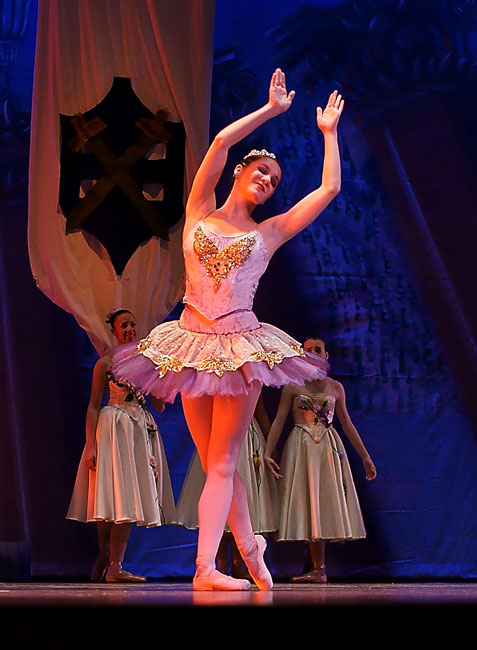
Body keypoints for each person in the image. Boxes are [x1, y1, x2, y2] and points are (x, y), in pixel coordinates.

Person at [113, 69, 343, 591]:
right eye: (261, 171)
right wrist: (271, 110)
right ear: (240, 171)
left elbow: (329, 188)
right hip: (191, 346)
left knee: (222, 462)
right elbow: (219, 142)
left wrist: (329, 134)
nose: (267, 181)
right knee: (218, 464)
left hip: (239, 350)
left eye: (274, 181)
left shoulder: (269, 233)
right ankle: (251, 550)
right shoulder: (199, 211)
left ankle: (204, 569)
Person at [67, 309, 176, 583]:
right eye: (124, 325)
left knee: (128, 497)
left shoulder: (146, 362)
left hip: (137, 430)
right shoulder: (105, 364)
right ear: (114, 331)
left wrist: (158, 379)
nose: (129, 329)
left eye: (133, 324)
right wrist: (91, 445)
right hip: (114, 427)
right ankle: (107, 557)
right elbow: (93, 406)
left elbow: (160, 405)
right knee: (111, 497)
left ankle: (115, 564)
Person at [264, 336, 377, 583]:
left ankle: (320, 568)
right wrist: (268, 451)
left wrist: (365, 457)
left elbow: (347, 423)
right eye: (308, 350)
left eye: (318, 349)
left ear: (326, 355)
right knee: (306, 501)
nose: (313, 353)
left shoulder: (336, 387)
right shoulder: (293, 385)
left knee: (322, 501)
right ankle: (317, 568)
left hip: (326, 446)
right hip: (301, 446)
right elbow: (279, 420)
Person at [176, 392, 279, 579]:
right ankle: (246, 550)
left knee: (221, 466)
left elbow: (261, 412)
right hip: (198, 373)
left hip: (238, 376)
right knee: (212, 465)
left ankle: (207, 567)